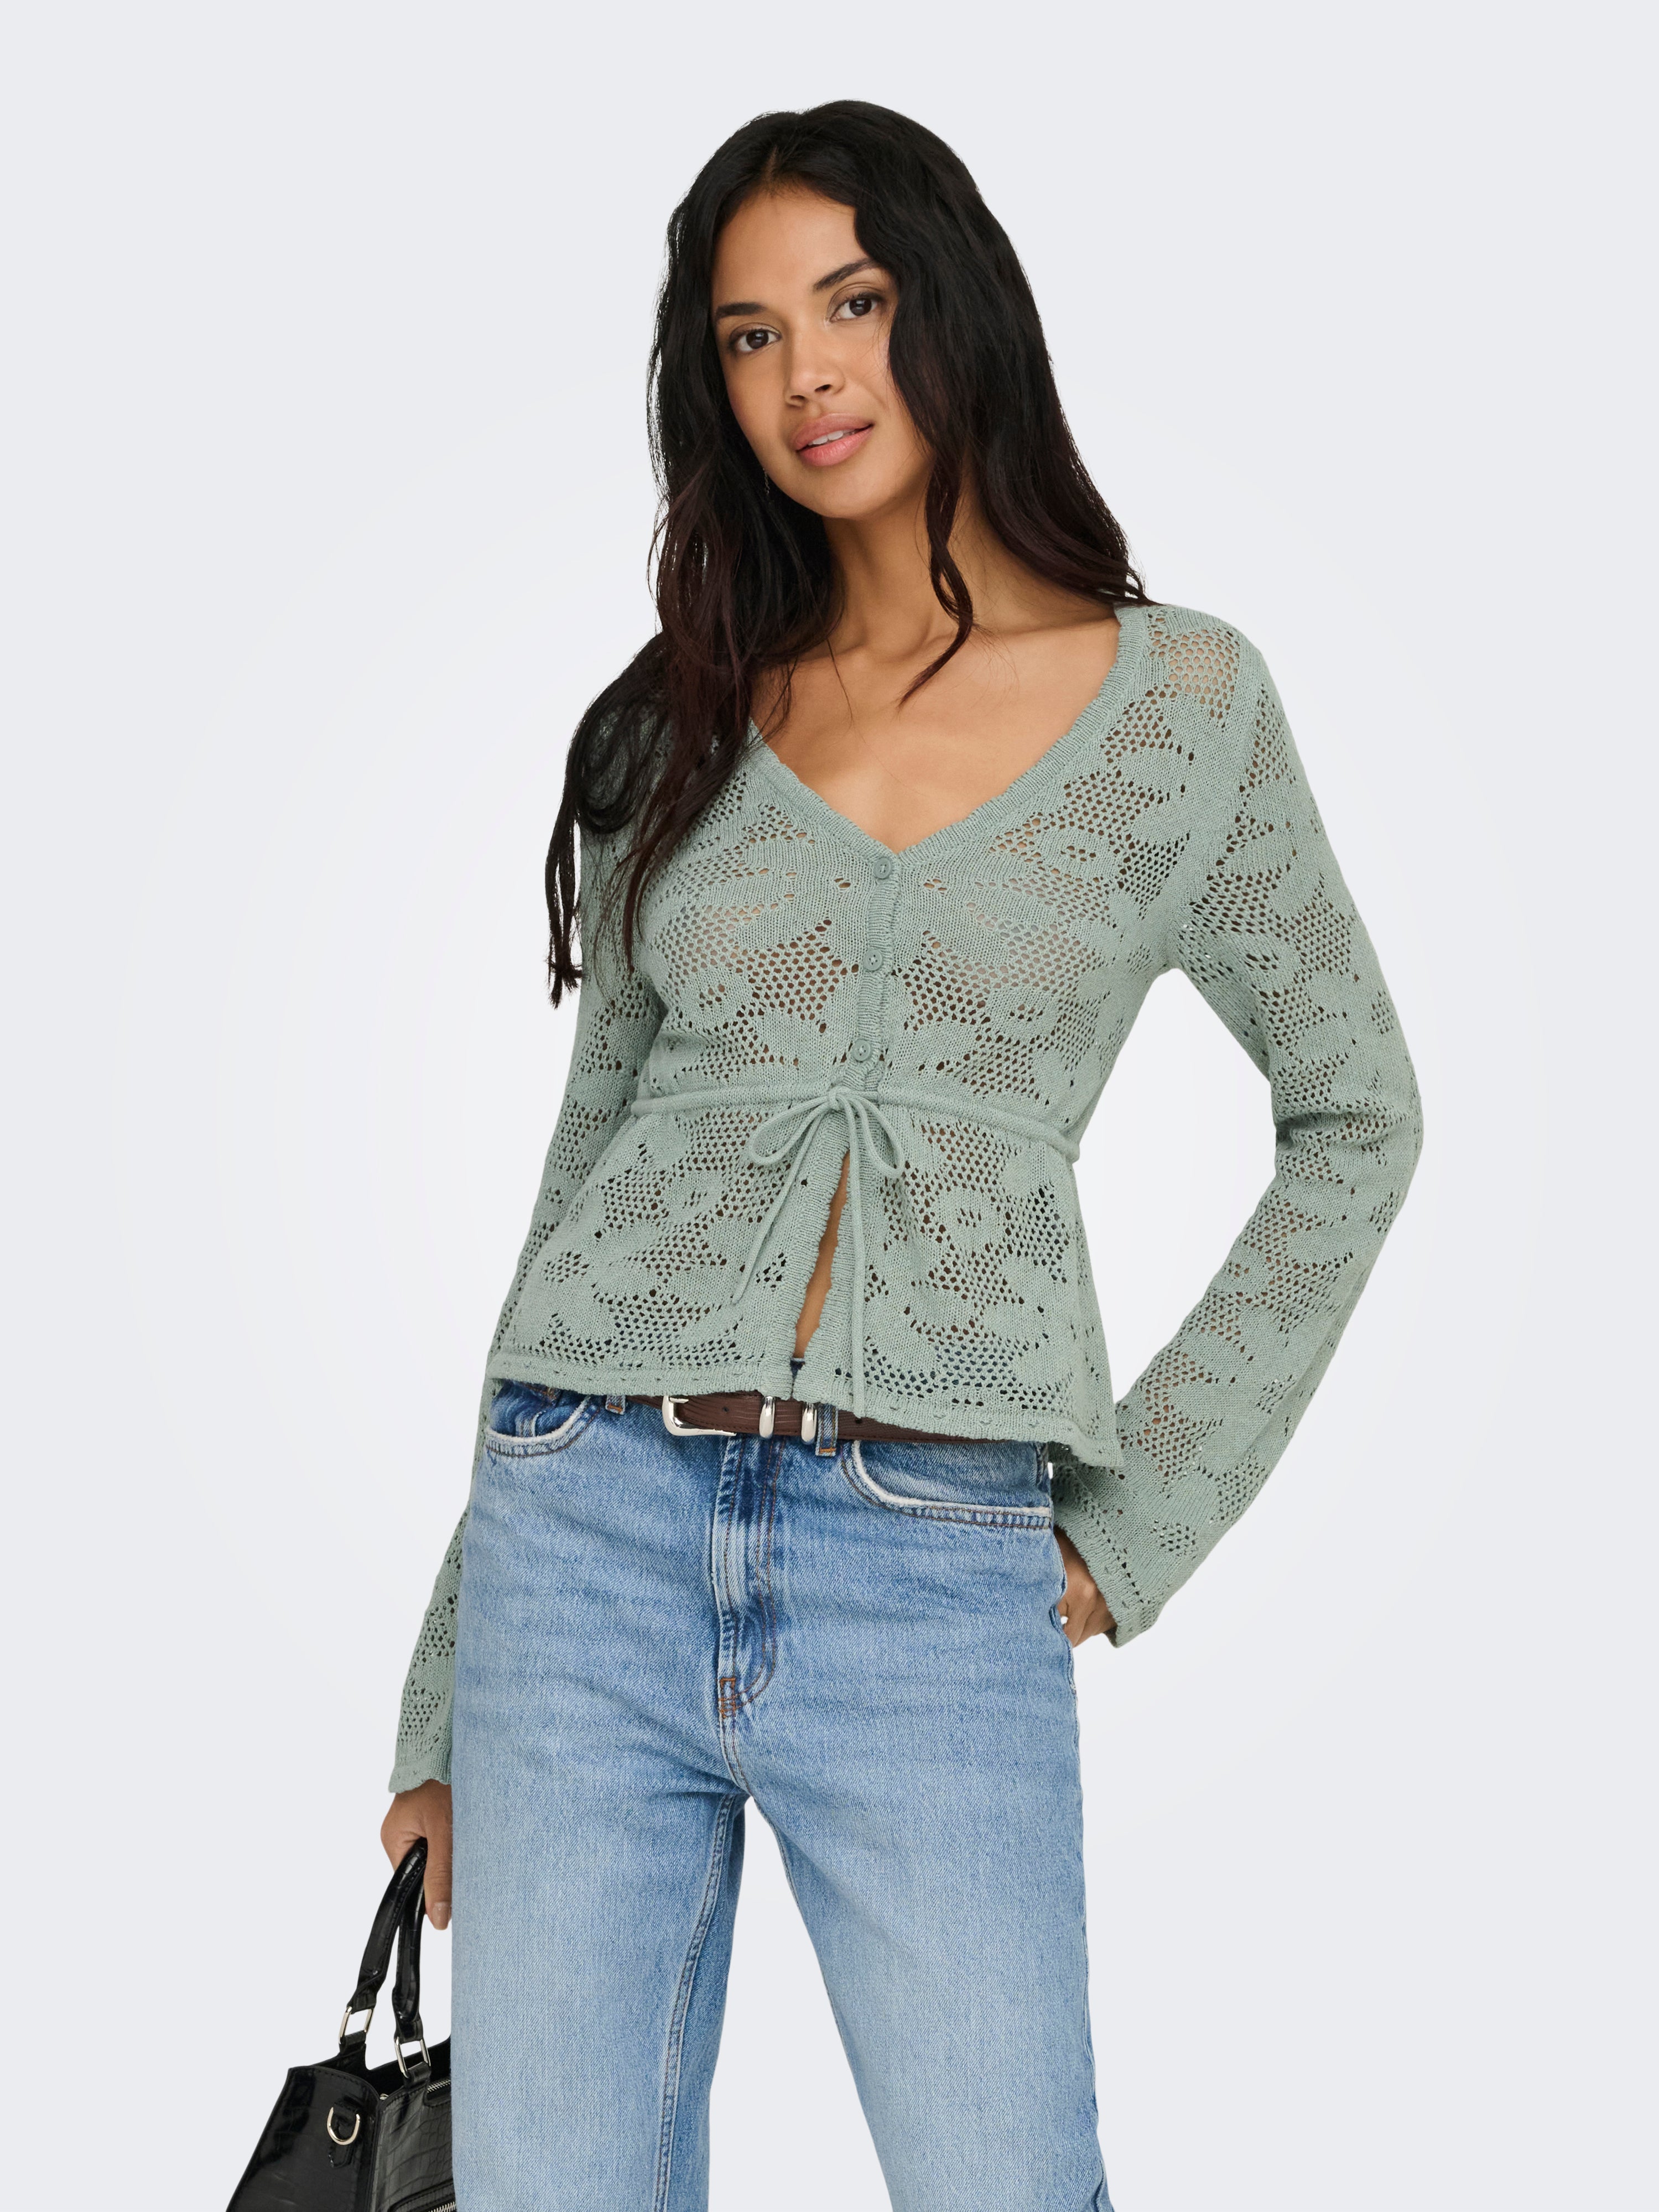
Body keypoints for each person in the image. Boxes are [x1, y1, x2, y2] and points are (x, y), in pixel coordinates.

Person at [380, 100, 1422, 2212]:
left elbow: (1357, 1115)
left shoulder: (1183, 709)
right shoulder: (679, 723)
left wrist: (1131, 1525)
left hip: (934, 1551)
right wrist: (443, 1690)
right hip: (582, 1536)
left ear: (952, 306)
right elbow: (580, 1196)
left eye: (850, 305)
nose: (810, 376)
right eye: (750, 336)